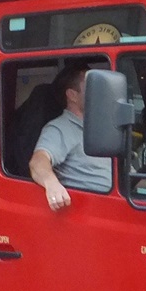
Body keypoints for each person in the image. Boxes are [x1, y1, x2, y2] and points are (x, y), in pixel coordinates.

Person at [29, 60, 112, 212]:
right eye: (91, 85)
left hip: (116, 204)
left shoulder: (98, 127)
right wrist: (52, 184)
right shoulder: (60, 128)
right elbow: (38, 161)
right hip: (91, 210)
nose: (98, 90)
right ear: (72, 95)